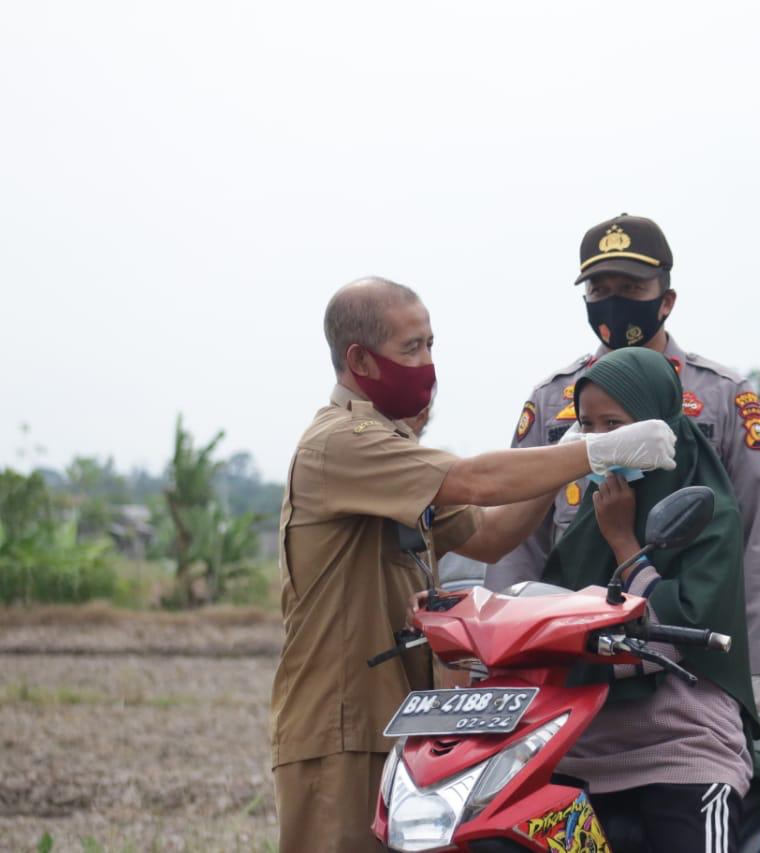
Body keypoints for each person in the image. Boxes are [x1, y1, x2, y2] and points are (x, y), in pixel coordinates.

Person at [270, 277, 678, 853]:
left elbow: (488, 536)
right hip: (342, 721)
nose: (428, 363)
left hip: (399, 717)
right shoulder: (343, 443)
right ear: (359, 358)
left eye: (431, 345)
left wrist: (568, 456)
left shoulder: (391, 447)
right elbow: (475, 482)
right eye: (411, 349)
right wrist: (597, 450)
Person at [487, 212, 760, 712]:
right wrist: (499, 656)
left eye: (631, 287)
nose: (614, 301)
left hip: (689, 655)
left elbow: (758, 537)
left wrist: (759, 665)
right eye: (599, 288)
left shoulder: (720, 396)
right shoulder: (553, 401)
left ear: (666, 299)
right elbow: (518, 538)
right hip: (574, 656)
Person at [541, 346, 760, 852]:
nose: (600, 442)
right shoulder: (588, 517)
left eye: (615, 424)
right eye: (589, 426)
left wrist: (624, 541)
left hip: (683, 745)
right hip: (585, 747)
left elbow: (683, 625)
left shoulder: (711, 513)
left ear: (658, 423)